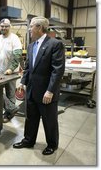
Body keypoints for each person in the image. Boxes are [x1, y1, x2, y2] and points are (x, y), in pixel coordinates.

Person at [12, 16, 65, 155]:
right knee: (31, 118)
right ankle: (28, 140)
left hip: (46, 92)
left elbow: (57, 70)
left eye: (31, 26)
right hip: (31, 90)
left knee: (49, 120)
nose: (29, 29)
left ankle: (52, 144)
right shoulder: (31, 46)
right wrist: (22, 83)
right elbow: (29, 67)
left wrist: (50, 91)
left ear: (39, 28)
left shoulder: (54, 44)